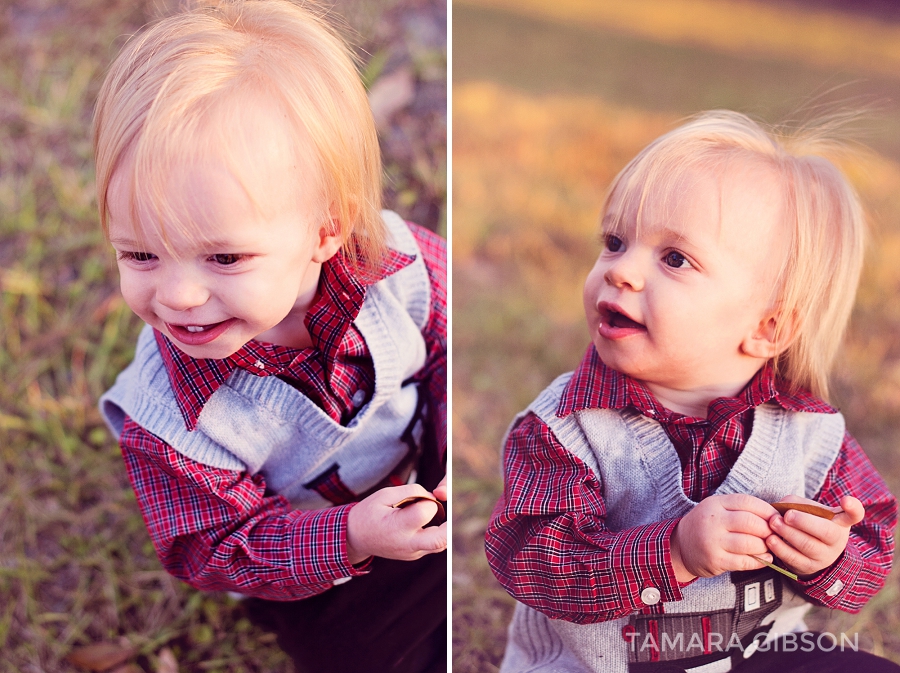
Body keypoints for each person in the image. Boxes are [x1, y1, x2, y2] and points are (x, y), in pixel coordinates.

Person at [92, 2, 446, 672]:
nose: (176, 295)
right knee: (355, 651)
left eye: (224, 258)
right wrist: (348, 536)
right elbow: (214, 544)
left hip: (425, 495)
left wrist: (451, 456)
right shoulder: (170, 417)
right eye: (140, 255)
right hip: (316, 566)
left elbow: (446, 350)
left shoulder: (401, 269)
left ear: (325, 230)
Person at [485, 111, 898, 673]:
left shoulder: (809, 431)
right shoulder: (565, 430)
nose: (622, 271)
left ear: (768, 329)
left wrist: (829, 556)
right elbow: (537, 565)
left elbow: (872, 540)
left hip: (759, 655)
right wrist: (674, 552)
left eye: (674, 258)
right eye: (614, 241)